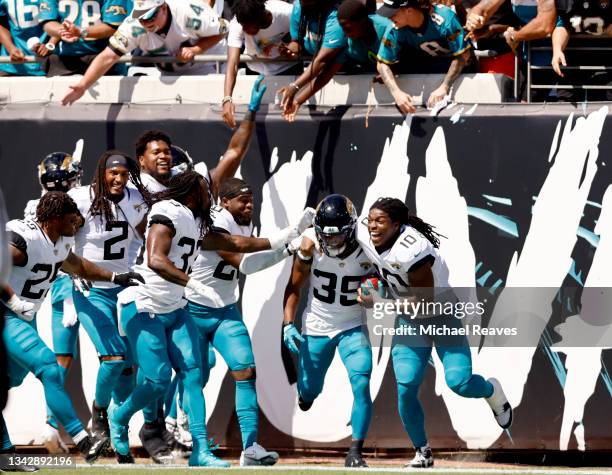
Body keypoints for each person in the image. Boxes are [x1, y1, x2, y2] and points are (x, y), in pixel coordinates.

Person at [111, 170, 314, 467]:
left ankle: (201, 451)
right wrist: (192, 284)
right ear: (195, 193)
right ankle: (119, 417)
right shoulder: (168, 210)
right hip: (145, 304)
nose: (212, 198)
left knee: (195, 373)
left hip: (178, 307)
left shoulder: (197, 221)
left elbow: (239, 245)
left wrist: (291, 233)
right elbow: (155, 259)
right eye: (207, 191)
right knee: (157, 380)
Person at [356, 197, 512, 468]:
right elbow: (378, 270)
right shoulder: (364, 232)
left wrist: (377, 301)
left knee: (458, 382)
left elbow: (423, 300)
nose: (372, 226)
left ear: (397, 225)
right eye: (370, 219)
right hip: (409, 320)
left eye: (380, 221)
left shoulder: (412, 249)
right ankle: (423, 452)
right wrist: (371, 284)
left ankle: (491, 391)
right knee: (405, 389)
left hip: (440, 315)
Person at [1, 191, 144, 466]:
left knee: (10, 382)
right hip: (6, 314)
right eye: (71, 218)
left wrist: (116, 276)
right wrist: (15, 302)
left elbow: (79, 266)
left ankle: (5, 456)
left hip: (23, 317)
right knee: (48, 366)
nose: (77, 222)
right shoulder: (25, 238)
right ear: (55, 219)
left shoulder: (57, 241)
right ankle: (83, 441)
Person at [186, 177, 302, 466]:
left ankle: (250, 448)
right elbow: (246, 264)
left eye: (251, 199)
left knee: (246, 371)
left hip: (224, 310)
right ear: (224, 201)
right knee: (194, 379)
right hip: (191, 310)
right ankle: (193, 445)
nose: (249, 204)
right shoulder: (215, 221)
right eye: (243, 199)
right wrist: (288, 247)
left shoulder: (242, 220)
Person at [66, 150, 151, 463]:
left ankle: (121, 442)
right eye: (112, 173)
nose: (118, 179)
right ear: (101, 173)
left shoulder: (136, 198)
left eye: (123, 174)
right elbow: (54, 228)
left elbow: (151, 229)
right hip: (92, 290)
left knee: (128, 370)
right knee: (113, 359)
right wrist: (72, 271)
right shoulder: (80, 198)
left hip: (124, 290)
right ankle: (98, 415)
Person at [282, 194, 374, 468]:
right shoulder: (310, 243)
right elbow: (294, 286)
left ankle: (355, 451)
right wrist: (287, 324)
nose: (331, 241)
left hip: (352, 325)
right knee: (309, 391)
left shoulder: (367, 245)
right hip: (317, 325)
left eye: (337, 235)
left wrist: (372, 291)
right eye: (327, 235)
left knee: (361, 380)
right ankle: (306, 394)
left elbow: (380, 282)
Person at [24, 152, 83, 455]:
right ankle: (52, 424)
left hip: (71, 282)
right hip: (66, 285)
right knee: (60, 361)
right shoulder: (47, 209)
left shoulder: (42, 204)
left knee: (65, 361)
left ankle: (54, 424)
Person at [59, 0, 226, 102]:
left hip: (209, 67)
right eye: (141, 16)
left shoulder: (189, 13)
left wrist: (196, 49)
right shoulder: (134, 26)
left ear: (163, 8)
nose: (146, 22)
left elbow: (224, 29)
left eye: (151, 16)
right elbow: (107, 56)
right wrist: (83, 85)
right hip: (170, 74)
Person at [282, 0, 393, 121]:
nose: (345, 33)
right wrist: (298, 101)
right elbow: (327, 74)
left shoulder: (387, 29)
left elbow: (406, 57)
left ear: (363, 21)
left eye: (348, 28)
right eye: (342, 29)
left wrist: (391, 71)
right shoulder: (348, 41)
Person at [376, 0, 473, 112]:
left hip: (460, 71)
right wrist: (396, 93)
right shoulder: (395, 28)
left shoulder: (445, 18)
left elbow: (463, 55)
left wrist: (444, 86)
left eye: (393, 14)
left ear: (409, 11)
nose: (389, 18)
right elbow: (382, 63)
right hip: (428, 67)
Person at [222, 0, 299, 128]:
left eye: (247, 26)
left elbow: (300, 42)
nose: (244, 30)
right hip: (256, 72)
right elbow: (233, 64)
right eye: (243, 26)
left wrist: (292, 48)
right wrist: (227, 99)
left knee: (289, 122)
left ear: (260, 16)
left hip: (289, 70)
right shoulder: (238, 22)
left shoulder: (287, 13)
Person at [278, 0, 348, 119]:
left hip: (346, 69)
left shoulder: (337, 18)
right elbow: (297, 42)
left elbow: (322, 62)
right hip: (315, 65)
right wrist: (290, 49)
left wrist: (295, 87)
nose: (303, 5)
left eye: (308, 3)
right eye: (301, 2)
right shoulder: (298, 6)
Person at [39, 0, 129, 75]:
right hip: (65, 59)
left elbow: (113, 27)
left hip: (105, 57)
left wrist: (81, 32)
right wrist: (63, 32)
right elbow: (48, 23)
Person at [0, 0, 57, 76]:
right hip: (11, 66)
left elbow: (64, 20)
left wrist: (51, 44)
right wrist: (11, 48)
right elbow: (2, 24)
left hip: (48, 65)